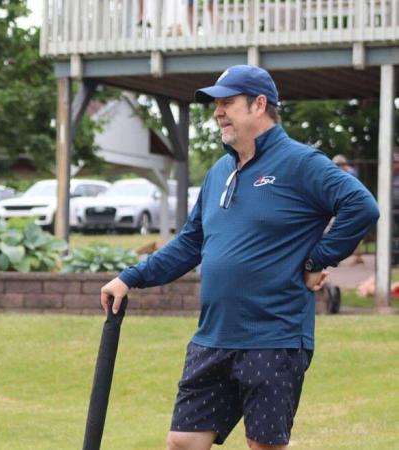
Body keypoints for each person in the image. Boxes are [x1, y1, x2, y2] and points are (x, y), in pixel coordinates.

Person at [100, 65, 379, 450]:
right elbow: (189, 243)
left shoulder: (300, 163)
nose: (217, 112)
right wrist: (130, 277)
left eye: (227, 103)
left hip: (274, 337)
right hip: (213, 338)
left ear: (259, 104)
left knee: (263, 446)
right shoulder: (219, 172)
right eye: (216, 104)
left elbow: (361, 206)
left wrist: (316, 260)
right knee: (182, 442)